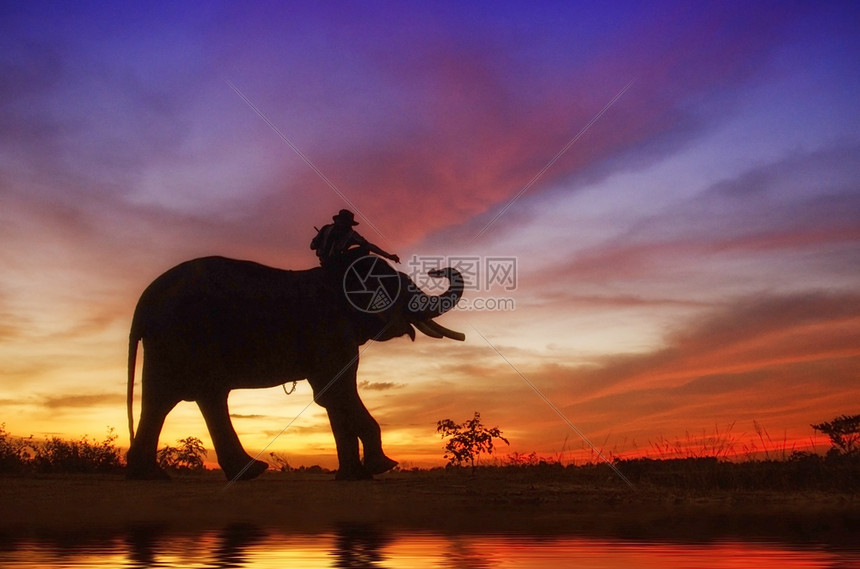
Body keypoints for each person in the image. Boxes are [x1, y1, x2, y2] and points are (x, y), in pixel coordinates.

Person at [311, 209, 400, 267]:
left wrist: (388, 255)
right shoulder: (347, 233)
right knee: (364, 251)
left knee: (364, 249)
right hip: (330, 262)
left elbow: (312, 246)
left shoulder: (328, 229)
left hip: (330, 261)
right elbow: (312, 246)